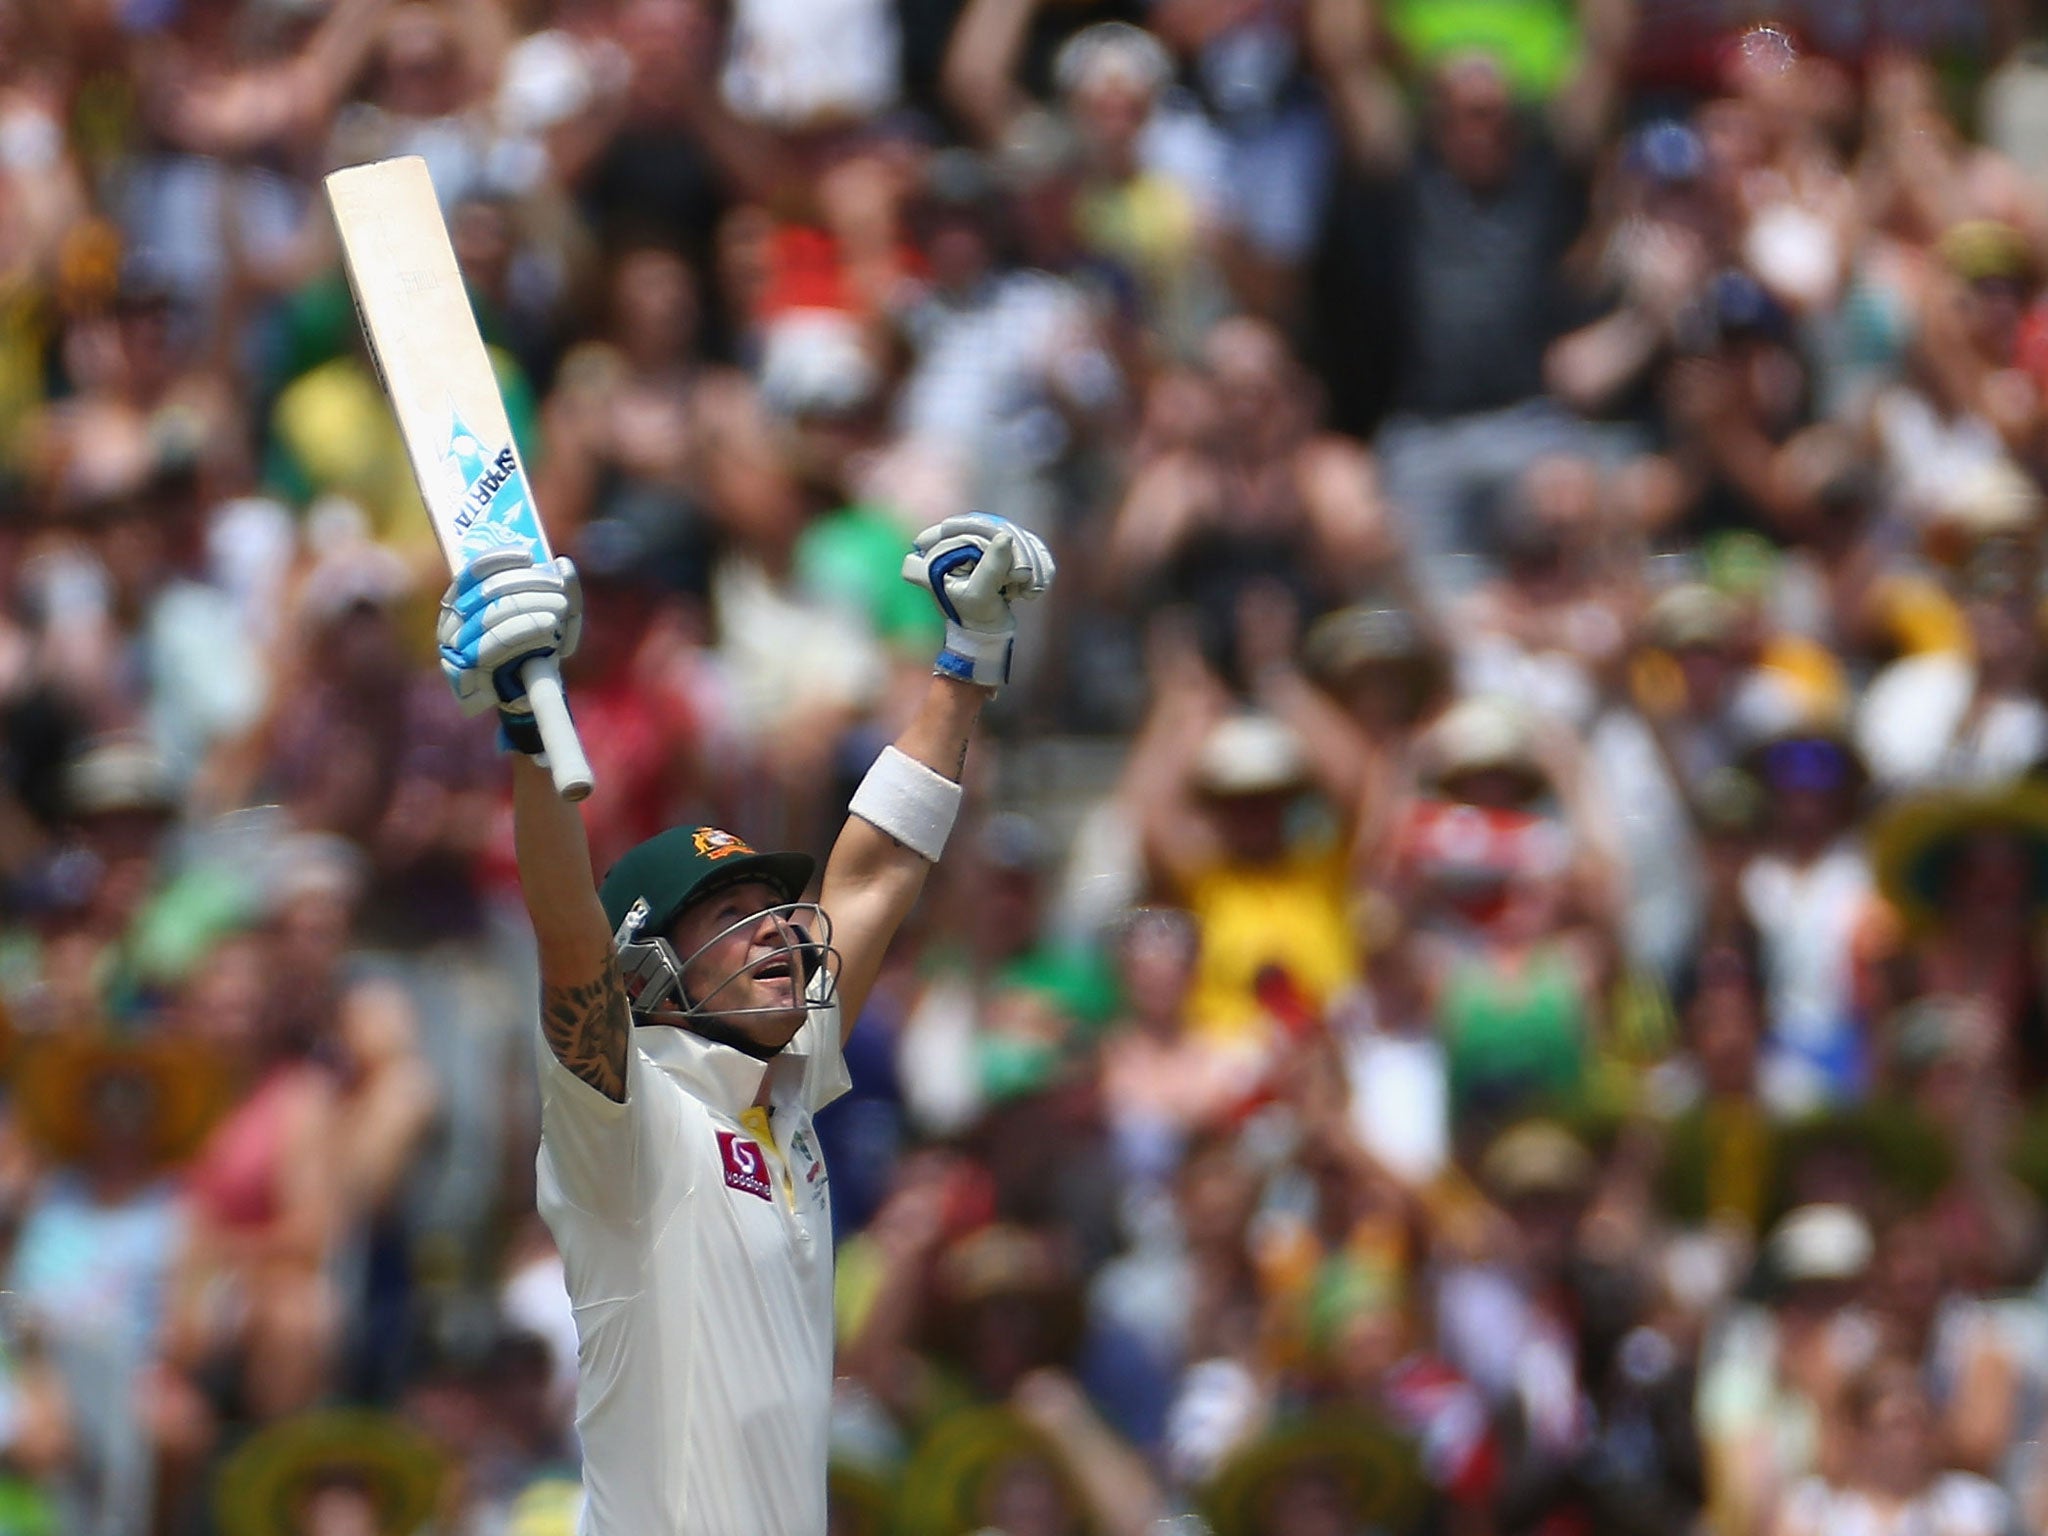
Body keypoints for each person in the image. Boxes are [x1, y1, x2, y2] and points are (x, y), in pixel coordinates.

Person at [435, 510, 1054, 1534]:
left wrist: (966, 662)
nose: (775, 938)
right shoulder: (624, 1119)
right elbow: (564, 933)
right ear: (652, 971)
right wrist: (528, 738)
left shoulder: (788, 1082)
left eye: (775, 914)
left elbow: (873, 874)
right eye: (731, 920)